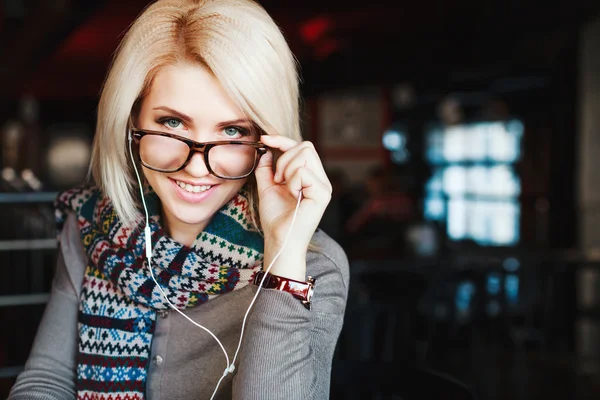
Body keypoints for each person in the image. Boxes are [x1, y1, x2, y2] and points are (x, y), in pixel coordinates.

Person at [8, 0, 349, 399]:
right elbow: (47, 381)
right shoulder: (93, 225)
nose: (197, 167)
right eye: (172, 123)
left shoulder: (313, 267)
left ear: (267, 140)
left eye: (233, 132)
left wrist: (283, 260)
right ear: (132, 121)